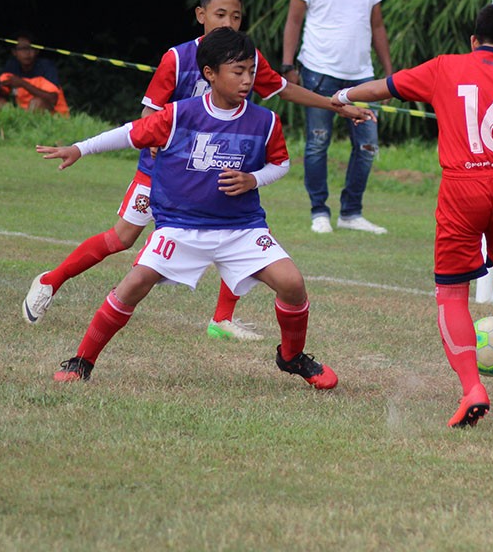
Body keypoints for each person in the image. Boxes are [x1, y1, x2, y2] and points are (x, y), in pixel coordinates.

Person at [22, 0, 371, 341]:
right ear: (201, 15)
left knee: (239, 230)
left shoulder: (244, 57)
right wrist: (115, 144)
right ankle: (50, 280)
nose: (229, 24)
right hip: (164, 171)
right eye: (221, 15)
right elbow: (148, 115)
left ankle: (221, 319)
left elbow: (284, 90)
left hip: (217, 166)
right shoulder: (177, 58)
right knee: (122, 238)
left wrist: (337, 104)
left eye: (236, 17)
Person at [35, 27, 338, 389]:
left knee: (292, 283)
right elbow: (130, 132)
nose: (246, 80)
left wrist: (253, 179)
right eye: (237, 72)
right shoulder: (179, 114)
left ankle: (292, 357)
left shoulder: (265, 120)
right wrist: (80, 148)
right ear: (209, 74)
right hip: (179, 225)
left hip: (241, 227)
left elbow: (281, 163)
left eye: (251, 72)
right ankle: (82, 360)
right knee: (133, 284)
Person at [329, 3, 493, 428]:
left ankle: (471, 389)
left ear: (473, 41)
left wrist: (343, 96)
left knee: (452, 292)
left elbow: (385, 87)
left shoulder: (445, 67)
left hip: (462, 187)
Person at [282, 0, 393, 235]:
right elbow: (294, 21)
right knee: (318, 143)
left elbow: (377, 25)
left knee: (368, 146)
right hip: (318, 71)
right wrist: (289, 66)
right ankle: (319, 211)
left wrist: (389, 75)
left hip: (362, 74)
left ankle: (351, 212)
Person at [0, 32, 70, 115]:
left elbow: (52, 99)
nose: (27, 53)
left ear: (37, 51)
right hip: (22, 113)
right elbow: (3, 93)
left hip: (53, 115)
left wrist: (22, 83)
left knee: (37, 103)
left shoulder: (46, 67)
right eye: (23, 49)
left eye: (31, 48)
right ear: (14, 52)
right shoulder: (12, 66)